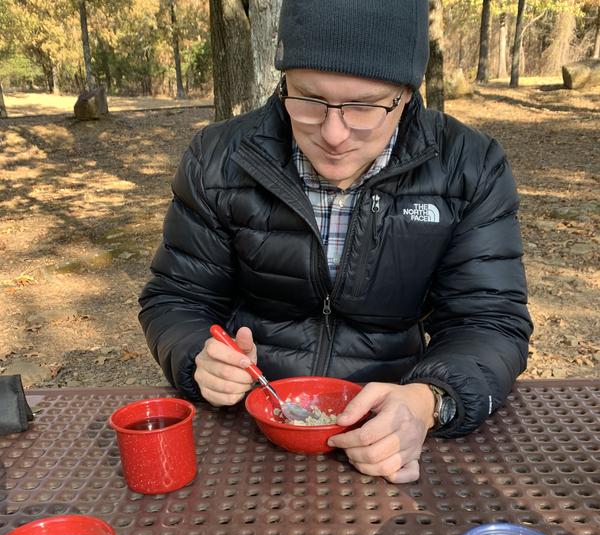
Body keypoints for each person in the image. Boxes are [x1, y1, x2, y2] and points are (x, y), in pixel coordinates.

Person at [139, 0, 533, 484]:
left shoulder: (468, 167)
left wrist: (429, 399)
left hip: (389, 429)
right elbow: (176, 298)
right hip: (242, 430)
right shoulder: (219, 159)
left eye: (364, 106)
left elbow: (490, 321)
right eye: (308, 99)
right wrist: (196, 355)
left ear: (405, 94)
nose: (333, 133)